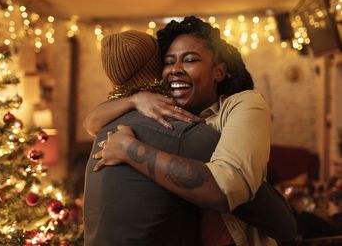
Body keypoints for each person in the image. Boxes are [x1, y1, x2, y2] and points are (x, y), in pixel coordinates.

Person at [86, 16, 296, 245]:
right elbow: (91, 122)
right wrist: (134, 100)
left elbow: (227, 187)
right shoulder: (160, 112)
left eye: (190, 60)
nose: (175, 70)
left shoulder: (242, 104)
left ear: (218, 71)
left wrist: (129, 148)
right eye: (168, 62)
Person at [83, 30, 221, 246]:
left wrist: (133, 100)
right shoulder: (178, 127)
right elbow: (251, 199)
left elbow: (89, 123)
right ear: (158, 65)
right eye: (168, 59)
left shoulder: (105, 126)